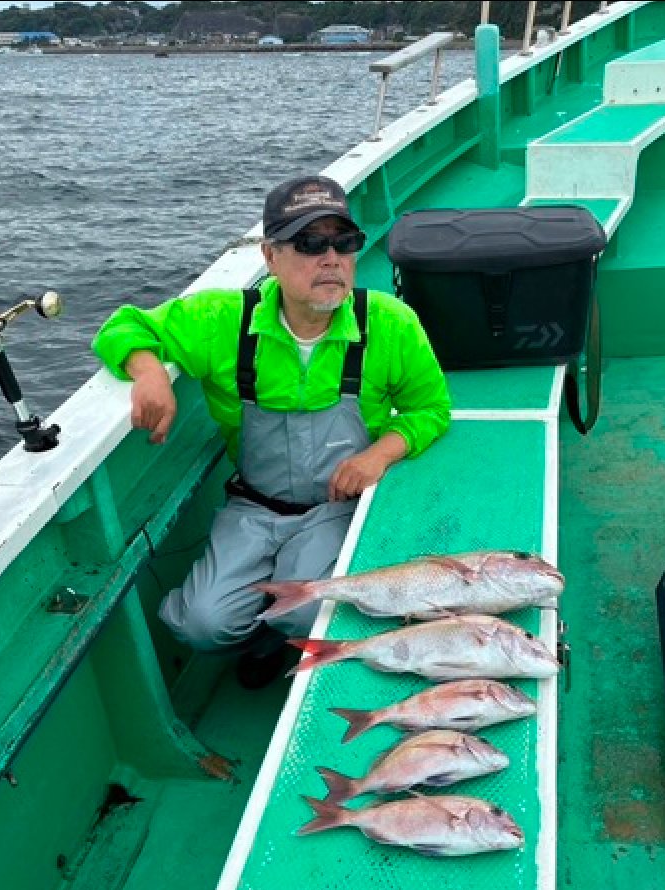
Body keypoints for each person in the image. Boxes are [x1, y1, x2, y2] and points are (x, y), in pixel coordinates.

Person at [92, 174, 451, 688]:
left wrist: (380, 454)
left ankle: (280, 639)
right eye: (310, 243)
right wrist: (148, 371)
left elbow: (430, 409)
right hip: (254, 507)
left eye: (343, 242)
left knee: (305, 613)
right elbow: (123, 325)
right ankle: (266, 635)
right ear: (271, 256)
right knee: (200, 624)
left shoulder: (391, 324)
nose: (331, 258)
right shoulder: (223, 320)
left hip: (337, 508)